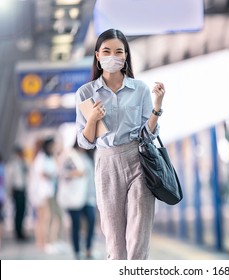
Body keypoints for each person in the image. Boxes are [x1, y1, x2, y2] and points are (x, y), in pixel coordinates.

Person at [75, 28, 166, 260]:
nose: (112, 56)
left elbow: (149, 134)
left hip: (138, 160)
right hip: (106, 163)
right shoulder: (86, 92)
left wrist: (157, 106)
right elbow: (84, 142)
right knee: (115, 245)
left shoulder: (141, 89)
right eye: (106, 51)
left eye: (118, 51)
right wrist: (93, 119)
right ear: (97, 55)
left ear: (126, 55)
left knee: (138, 240)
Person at [57, 140, 97, 259]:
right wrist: (76, 174)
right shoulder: (70, 156)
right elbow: (62, 173)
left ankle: (89, 249)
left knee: (91, 221)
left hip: (88, 196)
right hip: (75, 196)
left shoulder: (89, 156)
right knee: (76, 224)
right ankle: (77, 250)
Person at [5, 146, 29, 241]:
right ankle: (17, 232)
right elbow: (9, 179)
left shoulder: (23, 163)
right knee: (18, 212)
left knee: (22, 211)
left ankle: (21, 230)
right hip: (17, 190)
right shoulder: (13, 164)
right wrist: (10, 191)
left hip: (23, 189)